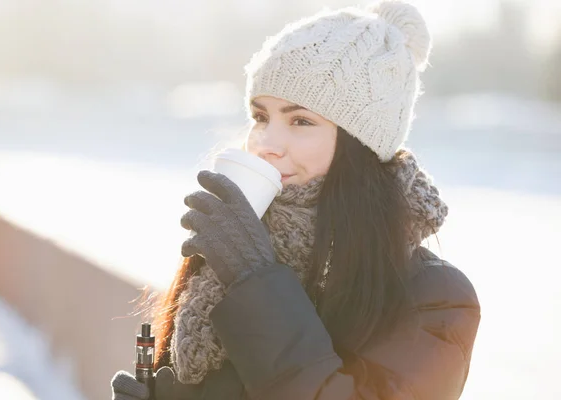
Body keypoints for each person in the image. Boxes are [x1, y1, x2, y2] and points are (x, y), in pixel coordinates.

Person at [111, 1, 481, 399]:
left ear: (362, 144)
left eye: (300, 120)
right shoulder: (225, 257)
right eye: (260, 117)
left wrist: (257, 282)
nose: (267, 144)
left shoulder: (435, 297)